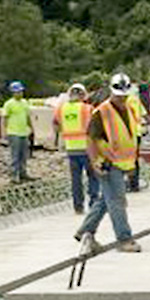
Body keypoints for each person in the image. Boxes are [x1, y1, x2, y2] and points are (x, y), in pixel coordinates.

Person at [75, 73, 143, 253]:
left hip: (123, 163)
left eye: (125, 95)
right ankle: (124, 239)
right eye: (119, 96)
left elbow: (129, 137)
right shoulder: (102, 112)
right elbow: (90, 139)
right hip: (107, 163)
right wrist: (94, 162)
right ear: (112, 92)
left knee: (106, 200)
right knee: (117, 201)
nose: (122, 99)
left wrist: (131, 165)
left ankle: (85, 231)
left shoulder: (129, 109)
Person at [52, 83, 97, 214]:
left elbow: (55, 125)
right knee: (93, 177)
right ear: (83, 95)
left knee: (76, 180)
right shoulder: (87, 109)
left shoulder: (61, 109)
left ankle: (78, 207)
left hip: (71, 149)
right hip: (87, 149)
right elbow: (95, 128)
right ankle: (93, 203)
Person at [0, 81, 33, 182]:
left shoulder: (25, 103)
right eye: (17, 92)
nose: (19, 93)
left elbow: (27, 117)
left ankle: (23, 173)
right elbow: (4, 118)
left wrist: (31, 128)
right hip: (14, 133)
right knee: (15, 155)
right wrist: (4, 131)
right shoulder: (9, 104)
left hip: (24, 133)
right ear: (13, 93)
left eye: (20, 91)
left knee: (24, 155)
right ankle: (14, 175)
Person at [127, 83, 146, 192]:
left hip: (125, 134)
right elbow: (145, 115)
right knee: (134, 159)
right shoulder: (136, 101)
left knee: (125, 158)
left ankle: (129, 183)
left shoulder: (122, 101)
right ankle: (134, 184)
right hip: (137, 133)